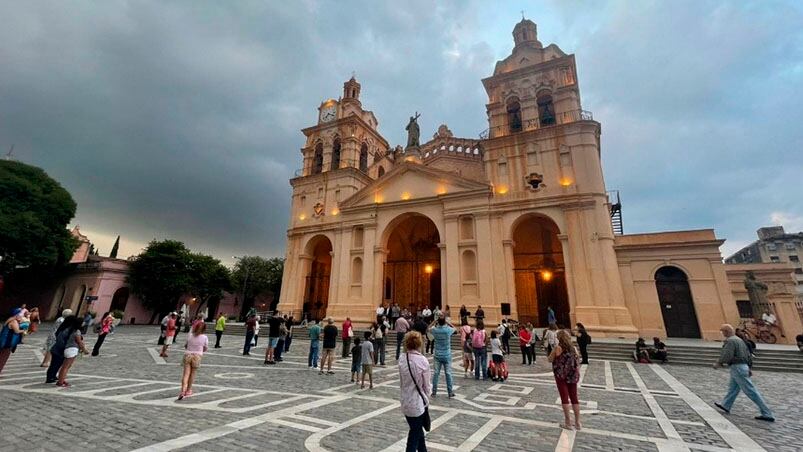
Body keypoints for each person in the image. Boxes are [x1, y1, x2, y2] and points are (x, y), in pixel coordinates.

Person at [713, 324, 774, 422]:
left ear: (726, 332)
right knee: (733, 388)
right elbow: (748, 354)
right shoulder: (739, 340)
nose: (722, 334)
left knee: (751, 391)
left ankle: (767, 413)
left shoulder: (730, 341)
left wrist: (719, 363)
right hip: (743, 366)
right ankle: (726, 405)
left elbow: (727, 354)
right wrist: (749, 367)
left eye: (722, 331)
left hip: (737, 367)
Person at [399, 331, 431, 452]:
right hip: (417, 404)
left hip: (405, 401)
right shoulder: (422, 361)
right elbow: (427, 386)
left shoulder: (402, 358)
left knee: (417, 431)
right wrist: (427, 399)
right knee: (414, 436)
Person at [549, 330, 582, 430]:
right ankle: (577, 422)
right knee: (574, 398)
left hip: (561, 376)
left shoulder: (557, 348)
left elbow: (550, 359)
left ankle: (568, 422)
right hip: (572, 375)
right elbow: (578, 360)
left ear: (559, 338)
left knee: (564, 398)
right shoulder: (574, 348)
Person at [178, 321, 208, 400]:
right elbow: (205, 348)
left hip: (188, 355)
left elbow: (186, 345)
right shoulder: (204, 337)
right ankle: (188, 390)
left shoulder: (190, 336)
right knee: (192, 374)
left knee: (186, 374)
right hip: (197, 356)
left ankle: (182, 391)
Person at [57, 315, 90, 387]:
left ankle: (61, 380)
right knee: (65, 367)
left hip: (70, 349)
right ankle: (60, 382)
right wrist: (84, 350)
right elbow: (79, 342)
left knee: (66, 366)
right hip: (71, 349)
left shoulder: (72, 329)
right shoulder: (77, 331)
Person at [429, 315, 456, 397]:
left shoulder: (435, 330)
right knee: (448, 373)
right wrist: (448, 322)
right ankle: (450, 392)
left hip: (437, 354)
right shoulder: (448, 330)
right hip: (447, 354)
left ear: (438, 322)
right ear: (444, 322)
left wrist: (434, 322)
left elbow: (428, 328)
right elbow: (455, 328)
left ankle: (434, 391)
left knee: (436, 373)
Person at [0, 308, 26, 375]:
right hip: (6, 342)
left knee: (2, 356)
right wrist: (24, 330)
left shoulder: (10, 320)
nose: (21, 316)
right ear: (16, 315)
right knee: (3, 357)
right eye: (20, 314)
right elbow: (17, 331)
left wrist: (20, 322)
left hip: (4, 341)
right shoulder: (13, 321)